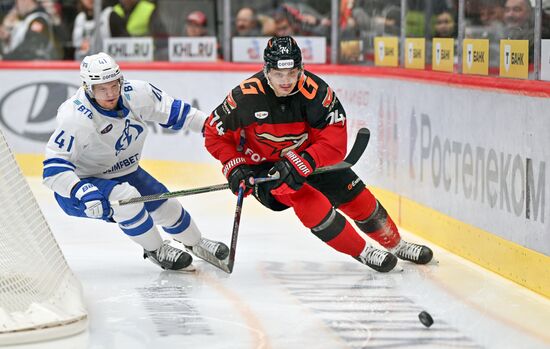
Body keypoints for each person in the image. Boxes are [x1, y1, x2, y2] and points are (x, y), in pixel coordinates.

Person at [204, 36, 433, 273]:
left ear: (301, 69)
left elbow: (335, 142)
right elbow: (213, 133)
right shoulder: (244, 97)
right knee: (303, 197)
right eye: (279, 75)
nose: (286, 81)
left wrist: (304, 161)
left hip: (310, 158)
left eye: (292, 73)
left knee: (354, 194)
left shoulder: (316, 93)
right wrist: (235, 166)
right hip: (265, 169)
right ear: (266, 71)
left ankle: (397, 244)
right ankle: (364, 251)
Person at [43, 52, 228, 271]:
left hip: (127, 171)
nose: (111, 93)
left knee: (167, 207)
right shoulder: (76, 118)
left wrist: (220, 131)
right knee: (127, 199)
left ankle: (195, 243)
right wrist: (82, 191)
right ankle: (156, 250)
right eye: (102, 88)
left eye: (114, 85)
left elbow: (180, 113)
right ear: (88, 87)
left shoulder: (138, 93)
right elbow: (53, 171)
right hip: (83, 184)